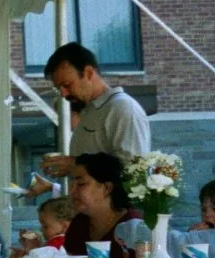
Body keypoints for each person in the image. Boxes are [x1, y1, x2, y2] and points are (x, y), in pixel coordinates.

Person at [40, 42, 150, 176]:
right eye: (59, 89)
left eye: (67, 85)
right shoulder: (90, 110)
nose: (63, 93)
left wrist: (75, 164)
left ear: (88, 72)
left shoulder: (122, 108)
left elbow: (133, 170)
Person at [62, 152, 140, 258]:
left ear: (107, 188)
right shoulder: (79, 224)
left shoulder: (134, 226)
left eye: (81, 184)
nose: (72, 191)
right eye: (71, 184)